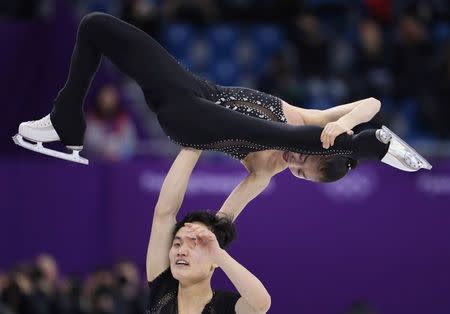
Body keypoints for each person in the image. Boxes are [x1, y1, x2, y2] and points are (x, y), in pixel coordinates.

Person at [13, 12, 430, 177]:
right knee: (95, 26)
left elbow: (232, 209)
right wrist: (342, 122)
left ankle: (370, 148)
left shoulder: (269, 169)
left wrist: (212, 232)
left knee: (273, 136)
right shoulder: (317, 120)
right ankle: (66, 122)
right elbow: (372, 104)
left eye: (301, 174)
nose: (296, 166)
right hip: (187, 88)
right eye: (307, 164)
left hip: (190, 121)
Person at [146, 148, 271, 313]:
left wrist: (218, 254)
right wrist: (194, 144)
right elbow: (164, 214)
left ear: (214, 260)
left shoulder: (223, 306)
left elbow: (261, 305)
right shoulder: (162, 293)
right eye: (177, 244)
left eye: (194, 245)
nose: (181, 251)